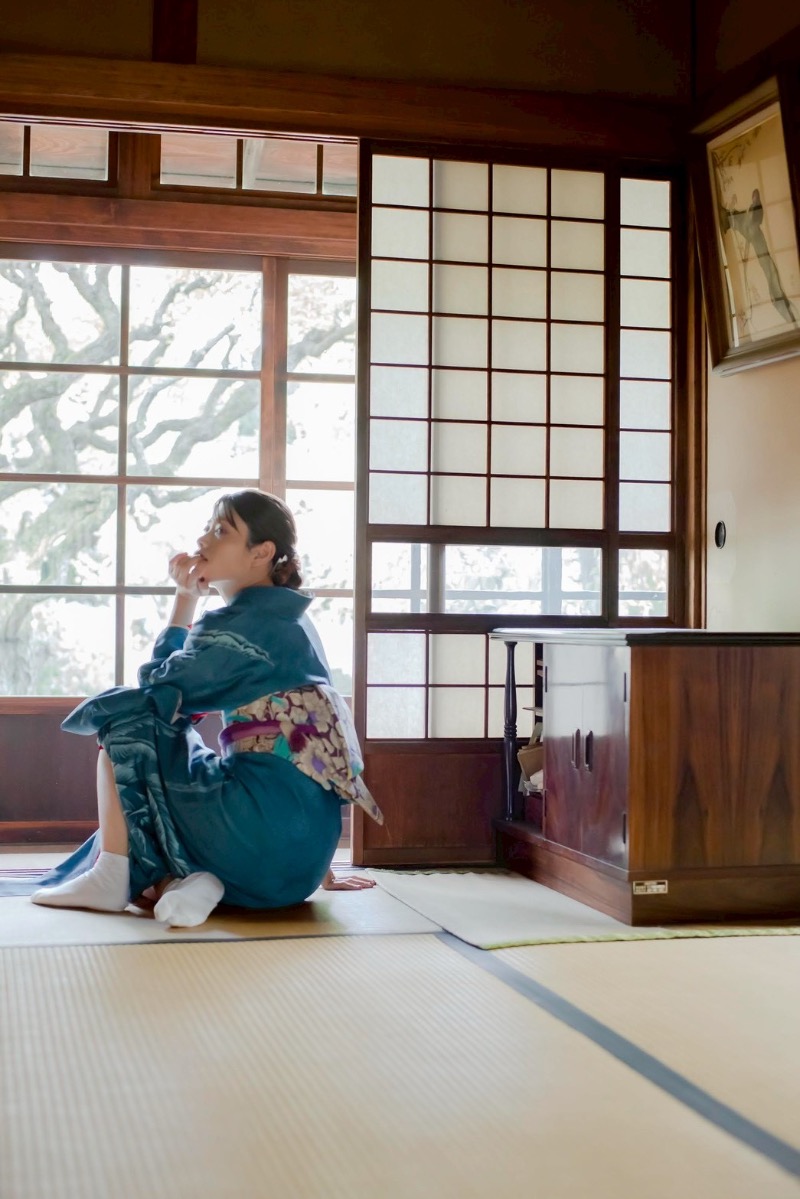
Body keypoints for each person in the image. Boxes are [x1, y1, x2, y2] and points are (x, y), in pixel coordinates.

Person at [31, 489, 382, 928]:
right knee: (163, 753)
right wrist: (321, 869)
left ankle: (115, 874)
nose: (203, 540)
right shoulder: (290, 619)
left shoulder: (242, 624)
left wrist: (184, 599)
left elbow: (156, 688)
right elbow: (311, 750)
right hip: (302, 865)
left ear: (261, 553)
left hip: (254, 840)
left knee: (125, 720)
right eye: (207, 528)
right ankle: (181, 884)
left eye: (221, 531)